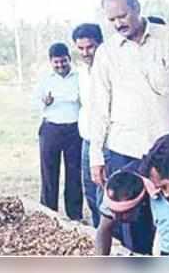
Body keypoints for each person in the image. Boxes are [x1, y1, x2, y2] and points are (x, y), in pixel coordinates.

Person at [88, 0, 169, 254]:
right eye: (112, 19)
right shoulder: (106, 53)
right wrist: (96, 155)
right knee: (131, 229)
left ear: (137, 7)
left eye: (122, 15)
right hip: (125, 151)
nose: (118, 24)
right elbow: (98, 108)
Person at [34, 42, 83, 220]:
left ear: (69, 59)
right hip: (51, 129)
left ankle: (75, 214)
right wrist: (44, 102)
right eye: (56, 63)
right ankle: (48, 213)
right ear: (51, 62)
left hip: (74, 129)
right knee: (49, 172)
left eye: (63, 61)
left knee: (75, 173)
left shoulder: (79, 76)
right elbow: (33, 103)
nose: (60, 65)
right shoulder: (45, 78)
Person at [72, 23, 103, 227]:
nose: (85, 52)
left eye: (90, 47)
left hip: (108, 142)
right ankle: (99, 236)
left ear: (100, 44)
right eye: (80, 48)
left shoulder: (111, 68)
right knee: (90, 194)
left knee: (107, 196)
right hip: (87, 141)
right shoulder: (81, 71)